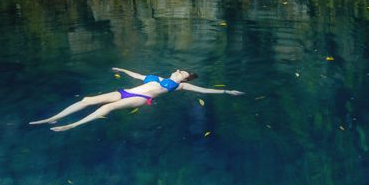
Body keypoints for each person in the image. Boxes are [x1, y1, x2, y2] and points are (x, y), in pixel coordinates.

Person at [29, 68, 243, 132]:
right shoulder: (159, 77)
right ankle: (53, 118)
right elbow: (139, 76)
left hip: (141, 99)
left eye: (182, 71)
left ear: (184, 78)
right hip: (127, 91)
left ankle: (73, 125)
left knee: (109, 107)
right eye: (179, 70)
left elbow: (204, 91)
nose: (178, 70)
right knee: (87, 99)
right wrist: (121, 69)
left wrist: (226, 92)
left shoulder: (180, 85)